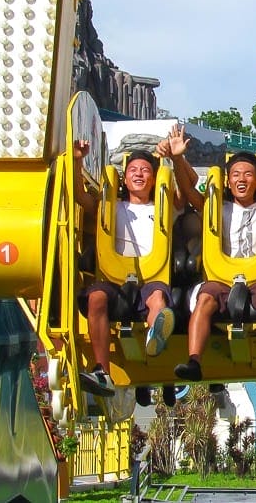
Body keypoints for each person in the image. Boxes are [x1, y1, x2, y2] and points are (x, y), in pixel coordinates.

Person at [162, 126, 256, 395]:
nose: (241, 180)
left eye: (248, 175)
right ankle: (194, 360)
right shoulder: (217, 206)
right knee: (206, 298)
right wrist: (177, 159)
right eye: (235, 175)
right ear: (228, 181)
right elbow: (190, 193)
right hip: (221, 278)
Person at [73, 141, 182, 397]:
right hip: (115, 278)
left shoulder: (163, 209)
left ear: (154, 179)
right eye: (134, 170)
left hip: (151, 277)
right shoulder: (111, 207)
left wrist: (175, 160)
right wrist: (78, 160)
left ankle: (154, 339)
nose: (139, 174)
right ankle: (103, 372)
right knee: (96, 297)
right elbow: (80, 195)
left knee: (157, 298)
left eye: (145, 170)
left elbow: (183, 197)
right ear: (125, 177)